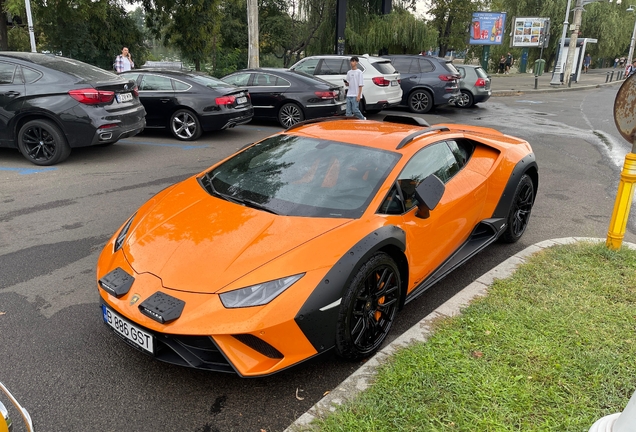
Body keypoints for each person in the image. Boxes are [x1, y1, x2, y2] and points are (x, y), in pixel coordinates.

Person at [343, 56, 365, 120]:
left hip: (355, 94)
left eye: (353, 61)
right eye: (351, 61)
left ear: (356, 62)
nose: (351, 63)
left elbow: (360, 85)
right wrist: (347, 83)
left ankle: (363, 119)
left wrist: (359, 96)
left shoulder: (359, 72)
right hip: (349, 94)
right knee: (348, 112)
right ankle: (349, 124)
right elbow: (348, 83)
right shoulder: (349, 72)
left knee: (355, 110)